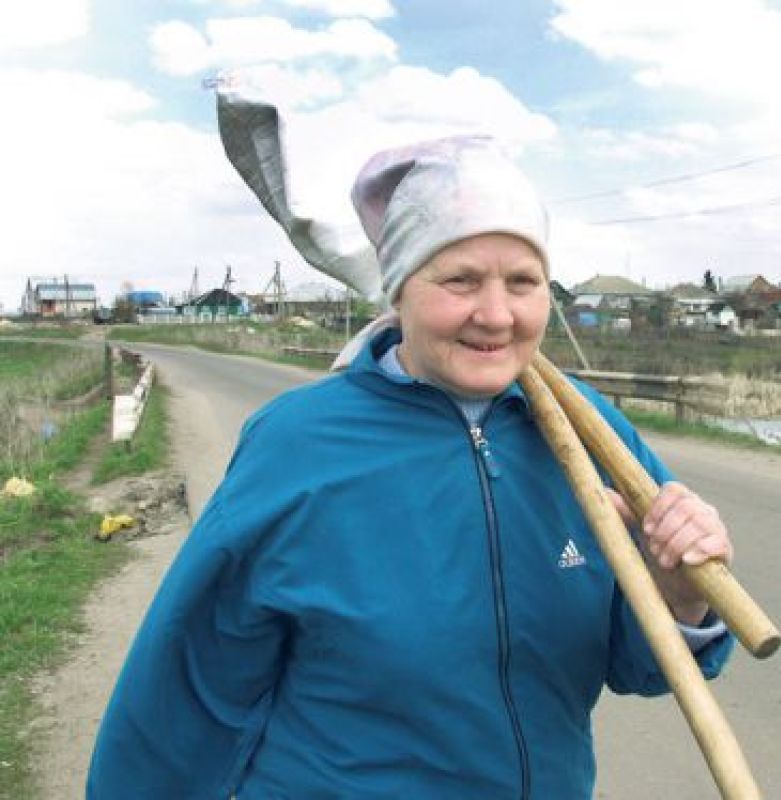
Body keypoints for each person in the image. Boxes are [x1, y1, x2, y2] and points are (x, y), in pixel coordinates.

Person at [87, 135, 736, 799]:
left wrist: (677, 589)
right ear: (398, 289)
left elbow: (643, 669)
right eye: (459, 280)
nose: (495, 314)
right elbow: (191, 683)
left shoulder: (590, 436)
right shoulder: (297, 444)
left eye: (522, 282)